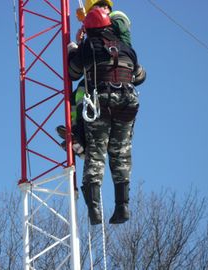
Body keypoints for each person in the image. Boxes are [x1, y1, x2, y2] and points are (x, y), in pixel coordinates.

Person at [67, 7, 146, 225]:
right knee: (121, 154)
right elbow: (140, 76)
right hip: (128, 102)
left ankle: (95, 211)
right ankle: (122, 207)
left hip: (102, 101)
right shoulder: (126, 48)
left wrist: (74, 49)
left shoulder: (89, 46)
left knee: (96, 153)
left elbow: (73, 73)